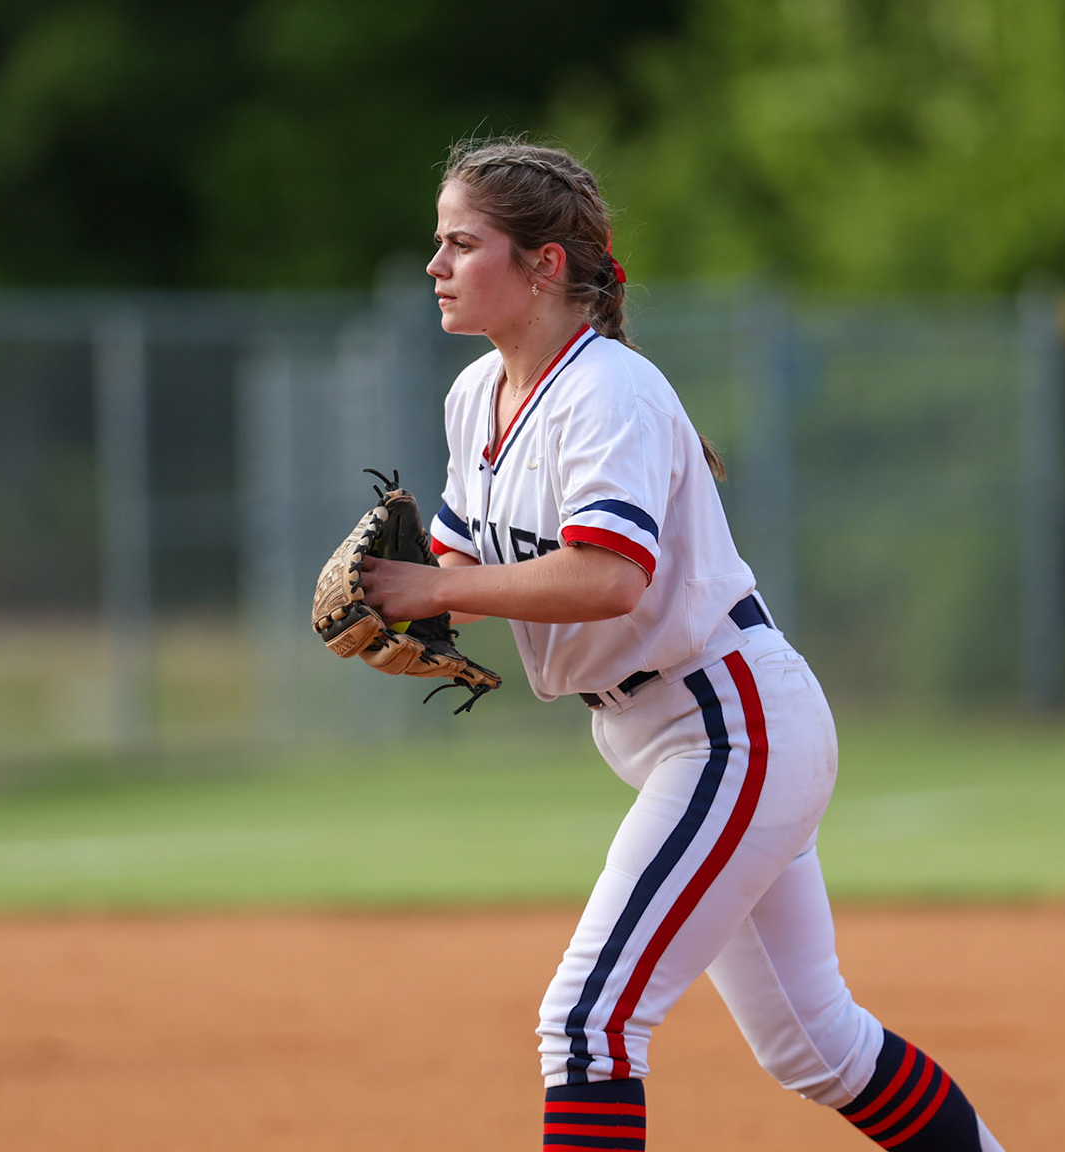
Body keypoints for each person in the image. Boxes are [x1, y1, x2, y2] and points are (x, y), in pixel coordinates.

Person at [358, 140, 1006, 1152]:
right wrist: (404, 600)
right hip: (680, 729)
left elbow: (611, 574)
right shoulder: (474, 397)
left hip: (728, 722)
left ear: (545, 265)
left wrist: (431, 586)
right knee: (815, 1044)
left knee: (588, 1020)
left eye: (460, 242)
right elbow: (463, 555)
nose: (435, 264)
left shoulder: (605, 389)